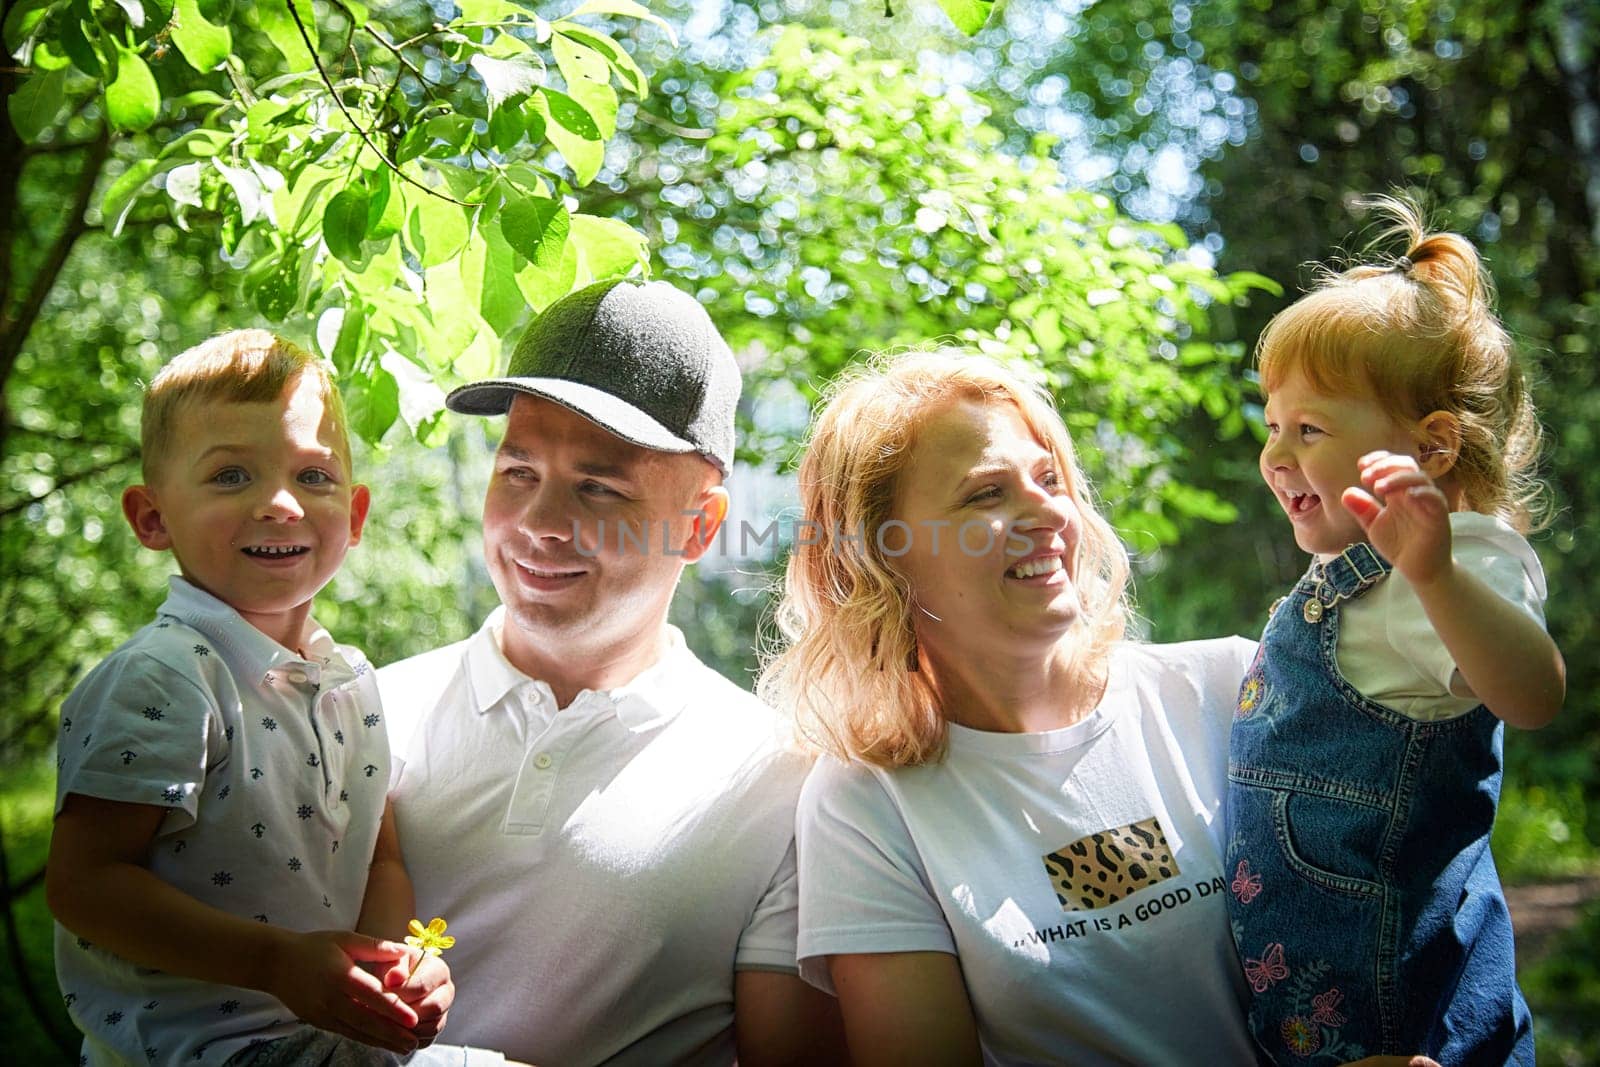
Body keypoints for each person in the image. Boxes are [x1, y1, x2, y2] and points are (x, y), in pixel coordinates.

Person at [377, 278, 845, 1066]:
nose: (538, 525)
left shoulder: (784, 780)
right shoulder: (358, 717)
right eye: (517, 472)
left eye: (598, 487)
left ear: (700, 524)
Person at [759, 349, 1262, 1064]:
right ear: (883, 554)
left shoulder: (1231, 687)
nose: (1050, 509)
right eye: (986, 493)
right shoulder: (865, 808)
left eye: (1049, 477)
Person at [45, 331, 463, 1066]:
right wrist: (277, 963)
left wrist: (389, 968)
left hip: (329, 1038)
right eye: (232, 475)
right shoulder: (166, 678)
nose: (280, 504)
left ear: (356, 514)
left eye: (314, 477)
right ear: (152, 517)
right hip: (197, 1050)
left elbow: (380, 862)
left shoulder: (353, 680)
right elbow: (86, 884)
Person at [1225, 198, 1562, 1065]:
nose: (1275, 454)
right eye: (1272, 426)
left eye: (1310, 428)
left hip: (1405, 1023)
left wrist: (1436, 574)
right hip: (1310, 1005)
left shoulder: (1463, 563)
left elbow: (1531, 693)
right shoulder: (1346, 570)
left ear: (1434, 448)